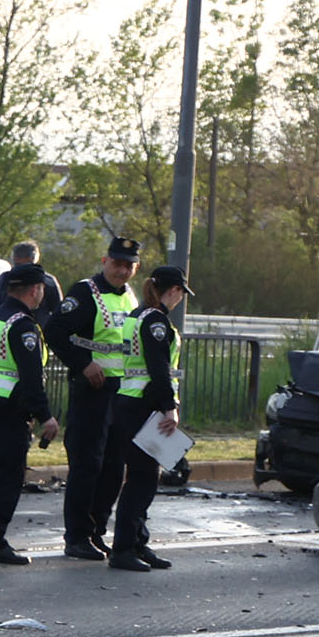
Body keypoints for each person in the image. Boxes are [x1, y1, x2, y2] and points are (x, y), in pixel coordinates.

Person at [0, 262, 58, 563]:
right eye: (42, 289)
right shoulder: (23, 326)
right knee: (8, 477)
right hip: (7, 410)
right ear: (35, 290)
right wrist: (46, 416)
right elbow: (31, 379)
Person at [57, 234, 141, 559]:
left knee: (114, 468)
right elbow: (56, 332)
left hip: (123, 393)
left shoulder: (130, 296)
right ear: (105, 261)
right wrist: (83, 365)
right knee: (87, 464)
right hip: (92, 391)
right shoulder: (85, 292)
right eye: (118, 263)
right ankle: (76, 536)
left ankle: (96, 532)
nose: (122, 270)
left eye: (129, 265)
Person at [107, 261, 192, 572]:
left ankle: (137, 542)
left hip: (130, 403)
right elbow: (158, 369)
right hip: (145, 406)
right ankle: (124, 548)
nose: (181, 298)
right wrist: (170, 408)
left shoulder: (137, 315)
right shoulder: (156, 322)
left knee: (144, 478)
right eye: (181, 293)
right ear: (173, 291)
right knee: (142, 480)